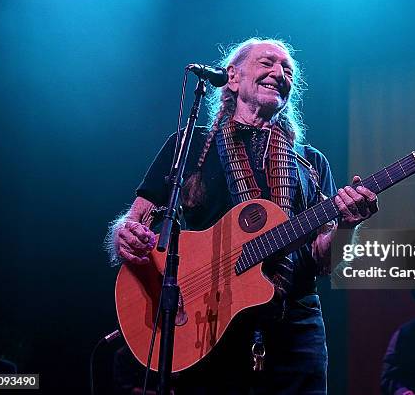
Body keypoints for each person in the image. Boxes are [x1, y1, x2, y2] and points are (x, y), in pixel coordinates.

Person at [106, 37, 378, 394]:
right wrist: (126, 234)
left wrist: (346, 224)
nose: (279, 73)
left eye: (287, 70)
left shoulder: (311, 163)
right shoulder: (190, 145)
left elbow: (324, 260)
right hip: (206, 325)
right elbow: (136, 220)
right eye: (268, 63)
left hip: (294, 327)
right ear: (232, 77)